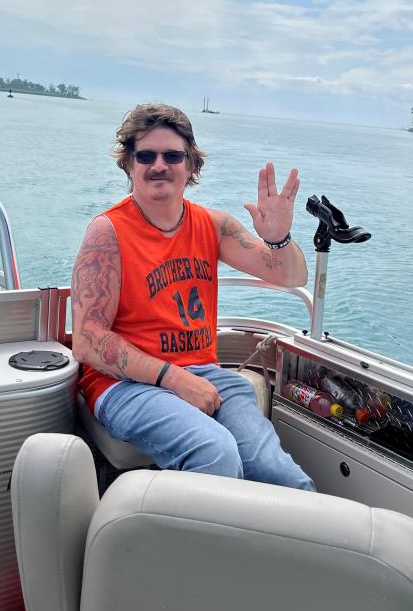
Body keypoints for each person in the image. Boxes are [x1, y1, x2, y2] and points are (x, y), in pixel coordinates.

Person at [71, 102, 315, 491]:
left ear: (190, 166)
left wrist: (278, 238)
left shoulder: (213, 226)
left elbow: (290, 275)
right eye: (146, 156)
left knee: (282, 476)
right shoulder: (108, 232)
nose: (159, 165)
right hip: (125, 384)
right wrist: (174, 379)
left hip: (206, 373)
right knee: (214, 452)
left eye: (172, 156)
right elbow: (87, 340)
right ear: (129, 164)